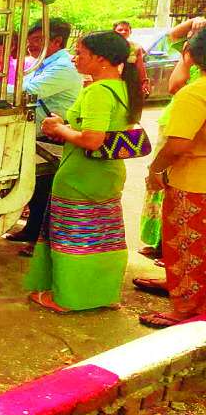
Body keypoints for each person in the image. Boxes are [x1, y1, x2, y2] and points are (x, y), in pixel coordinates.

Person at [24, 30, 143, 313]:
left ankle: (67, 298)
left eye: (80, 53)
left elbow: (92, 139)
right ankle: (102, 293)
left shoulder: (98, 91)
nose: (74, 59)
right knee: (103, 237)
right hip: (108, 174)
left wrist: (58, 128)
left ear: (100, 59)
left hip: (81, 175)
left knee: (72, 237)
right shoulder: (124, 88)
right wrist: (67, 126)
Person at [132, 17, 206, 295]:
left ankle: (185, 308)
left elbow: (177, 145)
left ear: (192, 54)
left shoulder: (194, 92)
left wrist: (155, 169)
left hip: (193, 182)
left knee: (189, 247)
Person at [0, 19, 82, 250]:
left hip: (54, 137)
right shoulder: (42, 64)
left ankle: (44, 241)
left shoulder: (62, 67)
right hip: (40, 134)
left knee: (47, 190)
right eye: (30, 40)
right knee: (36, 187)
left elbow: (28, 91)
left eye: (37, 40)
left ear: (56, 41)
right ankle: (32, 230)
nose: (30, 45)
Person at [113, 21, 150, 97]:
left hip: (130, 79)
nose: (123, 32)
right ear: (114, 32)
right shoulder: (108, 47)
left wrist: (144, 81)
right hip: (113, 79)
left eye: (126, 30)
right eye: (120, 30)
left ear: (130, 32)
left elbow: (140, 66)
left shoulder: (136, 47)